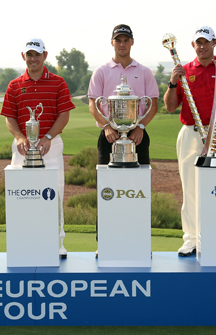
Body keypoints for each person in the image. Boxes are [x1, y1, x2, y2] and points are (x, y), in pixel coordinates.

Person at [163, 25, 216, 256]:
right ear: (193, 45)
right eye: (197, 42)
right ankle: (191, 240)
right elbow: (170, 106)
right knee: (190, 188)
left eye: (206, 42)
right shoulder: (185, 70)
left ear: (214, 43)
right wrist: (172, 82)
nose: (201, 46)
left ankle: (215, 236)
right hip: (190, 134)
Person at [88, 24, 159, 258]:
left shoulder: (145, 71)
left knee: (138, 190)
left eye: (125, 40)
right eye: (118, 40)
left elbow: (153, 105)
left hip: (138, 137)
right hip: (108, 136)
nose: (122, 44)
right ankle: (104, 242)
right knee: (106, 191)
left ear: (132, 42)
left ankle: (139, 241)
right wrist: (108, 126)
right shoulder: (101, 71)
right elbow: (93, 104)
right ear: (112, 43)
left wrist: (140, 126)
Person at [0, 38, 75, 257]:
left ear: (45, 56)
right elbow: (9, 117)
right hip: (22, 147)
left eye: (37, 54)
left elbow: (64, 114)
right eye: (29, 55)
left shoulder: (58, 83)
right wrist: (19, 137)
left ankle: (57, 242)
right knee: (21, 193)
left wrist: (49, 136)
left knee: (55, 194)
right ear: (23, 56)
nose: (33, 59)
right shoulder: (15, 85)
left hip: (50, 144)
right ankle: (22, 239)